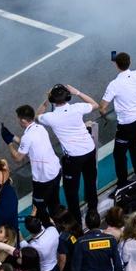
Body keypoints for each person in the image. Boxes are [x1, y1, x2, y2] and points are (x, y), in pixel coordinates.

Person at [37, 84, 100, 216]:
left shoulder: (50, 117)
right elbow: (95, 104)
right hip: (89, 150)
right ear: (68, 97)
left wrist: (47, 100)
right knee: (90, 182)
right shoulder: (77, 108)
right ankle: (93, 212)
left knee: (71, 191)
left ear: (53, 100)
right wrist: (77, 92)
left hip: (73, 158)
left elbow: (37, 116)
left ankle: (76, 221)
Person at [98, 52, 136, 184]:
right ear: (130, 62)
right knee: (134, 147)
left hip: (127, 124)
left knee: (119, 154)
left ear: (116, 65)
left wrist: (105, 117)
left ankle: (123, 183)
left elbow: (102, 106)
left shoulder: (114, 84)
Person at [7, 104, 63, 216]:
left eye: (18, 119)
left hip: (43, 178)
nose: (18, 122)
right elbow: (29, 145)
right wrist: (12, 137)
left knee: (38, 208)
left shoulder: (27, 137)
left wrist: (9, 144)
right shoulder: (40, 128)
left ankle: (45, 226)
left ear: (23, 120)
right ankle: (58, 222)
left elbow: (18, 157)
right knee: (54, 202)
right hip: (56, 170)